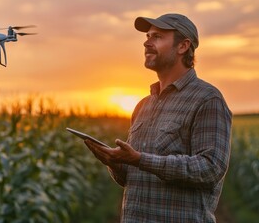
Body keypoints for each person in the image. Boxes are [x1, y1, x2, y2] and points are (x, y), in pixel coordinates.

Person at [84, 13, 232, 222]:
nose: (147, 42)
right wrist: (115, 163)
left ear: (183, 46)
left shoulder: (207, 99)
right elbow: (133, 178)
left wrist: (140, 159)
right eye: (147, 36)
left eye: (157, 37)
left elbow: (210, 169)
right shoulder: (143, 106)